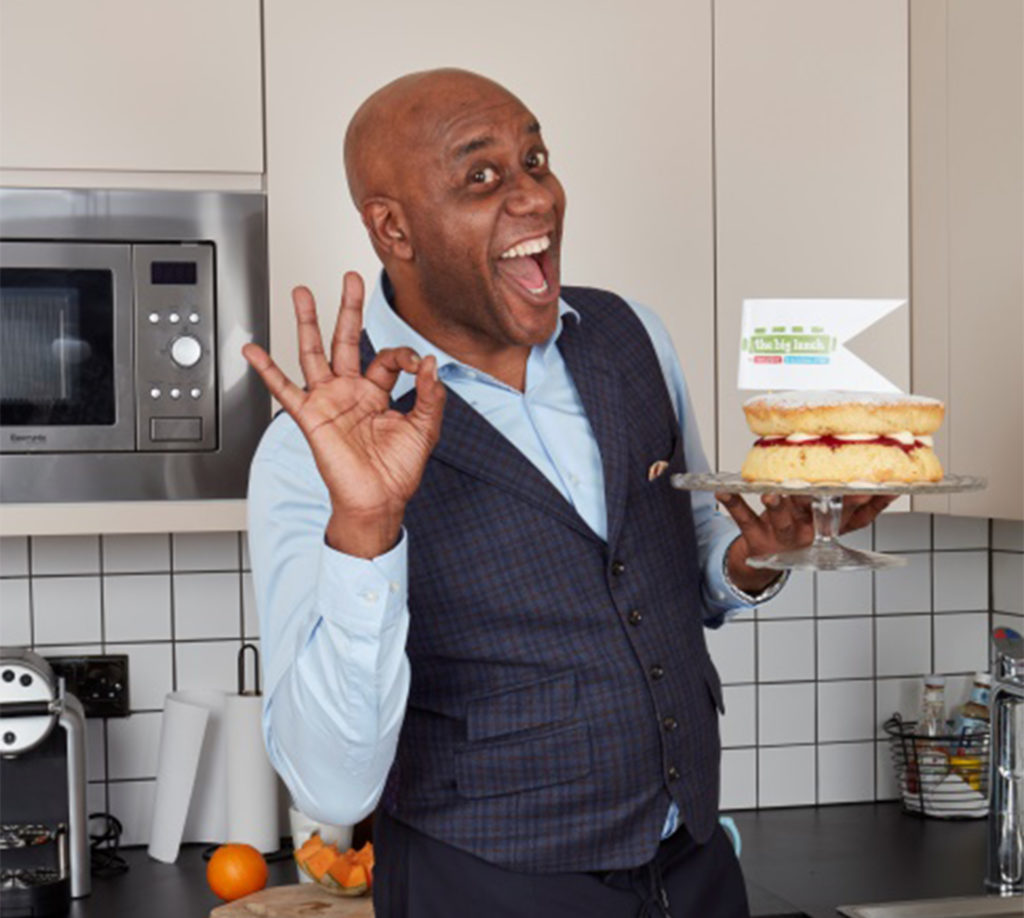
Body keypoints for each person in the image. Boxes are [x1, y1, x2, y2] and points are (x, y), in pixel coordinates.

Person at [244, 69, 891, 918]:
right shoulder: (311, 452)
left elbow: (678, 569)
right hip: (486, 887)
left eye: (535, 160)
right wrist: (367, 525)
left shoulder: (633, 338)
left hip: (693, 865)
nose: (535, 197)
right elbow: (330, 784)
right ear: (392, 227)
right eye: (482, 176)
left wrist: (754, 555)